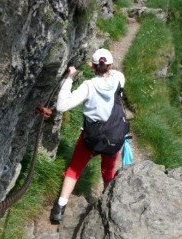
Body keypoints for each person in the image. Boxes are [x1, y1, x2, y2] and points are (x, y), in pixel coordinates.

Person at [48, 48, 125, 223]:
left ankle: (59, 208)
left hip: (91, 138)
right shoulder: (119, 79)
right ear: (110, 66)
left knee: (74, 169)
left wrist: (69, 78)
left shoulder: (88, 86)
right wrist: (100, 67)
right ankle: (109, 203)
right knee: (108, 170)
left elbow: (61, 106)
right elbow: (111, 71)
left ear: (94, 67)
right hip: (114, 138)